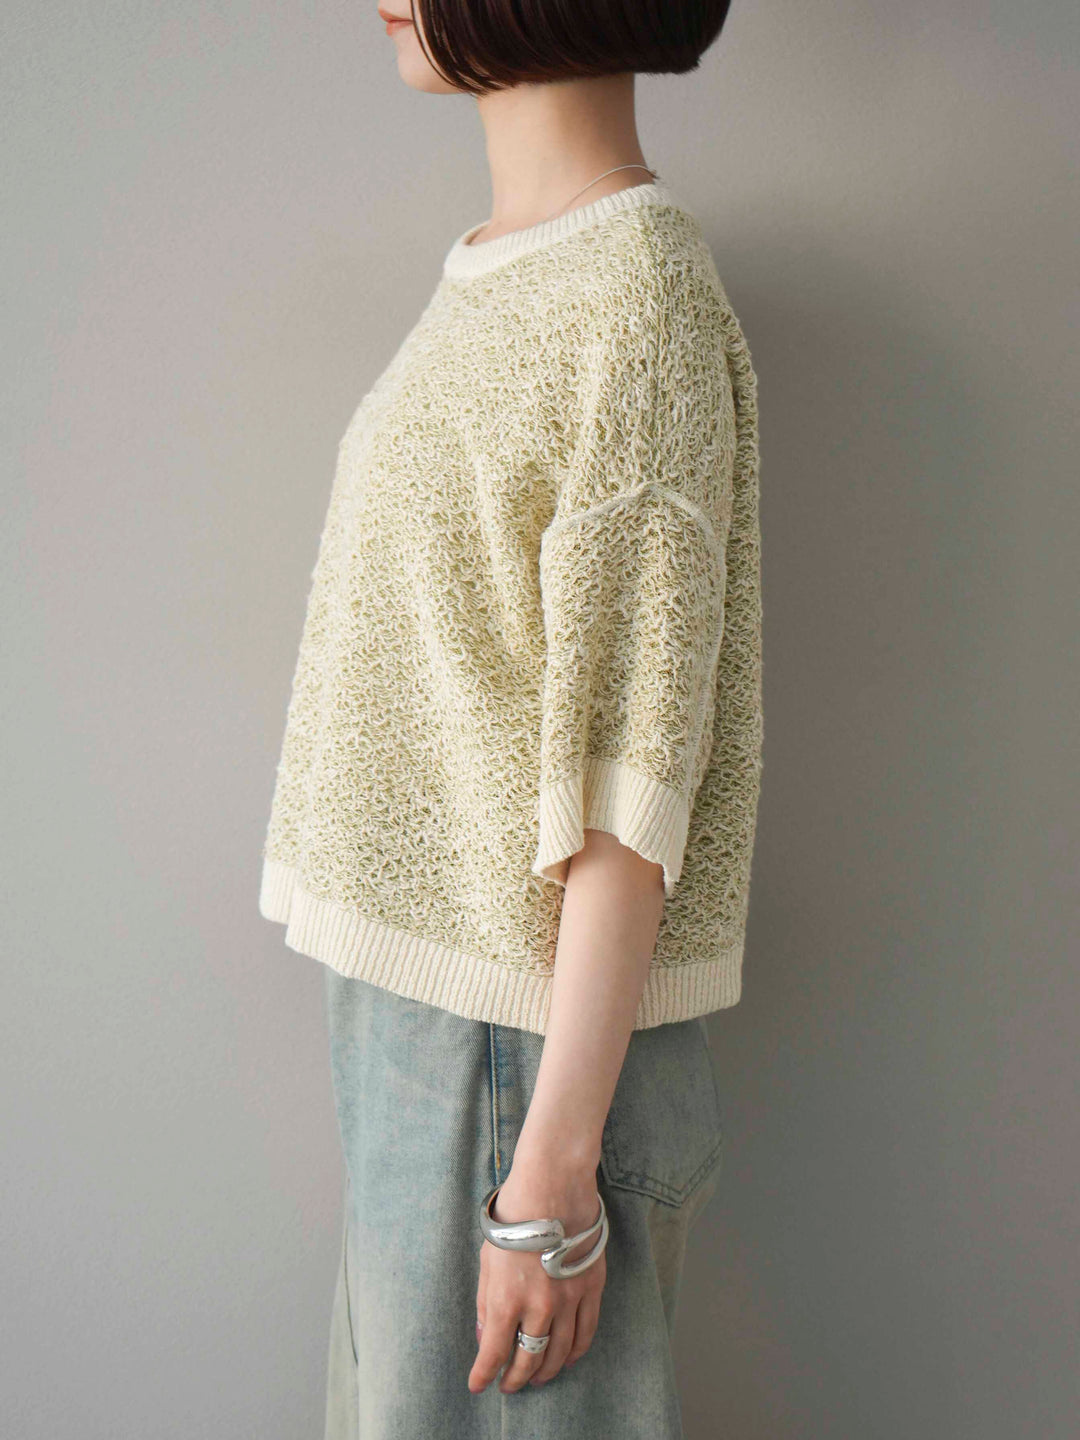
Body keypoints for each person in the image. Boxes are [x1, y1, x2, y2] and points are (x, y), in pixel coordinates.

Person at [258, 2, 763, 1435]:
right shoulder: (504, 267)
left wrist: (547, 1176)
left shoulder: (635, 297)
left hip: (519, 1051)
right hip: (433, 1030)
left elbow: (634, 783)